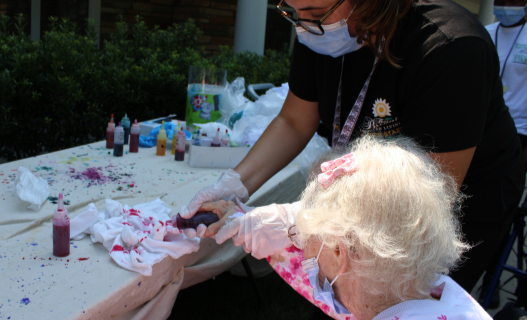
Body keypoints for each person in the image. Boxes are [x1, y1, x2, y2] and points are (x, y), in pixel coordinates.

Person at [182, 0, 525, 308]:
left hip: (457, 198)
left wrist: (297, 220)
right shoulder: (316, 32)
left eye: (316, 14)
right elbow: (293, 122)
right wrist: (235, 183)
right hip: (368, 187)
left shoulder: (451, 48)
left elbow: (424, 193)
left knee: (402, 300)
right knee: (338, 286)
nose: (303, 25)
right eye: (293, 12)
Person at [200, 136, 492, 320]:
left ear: (340, 252)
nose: (303, 256)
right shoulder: (433, 290)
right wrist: (245, 219)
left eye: (305, 242)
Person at [486, 0, 527, 164]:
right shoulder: (484, 32)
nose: (506, 6)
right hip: (485, 125)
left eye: (513, 1)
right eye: (501, 1)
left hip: (520, 128)